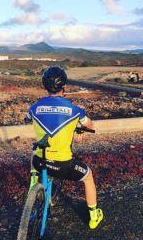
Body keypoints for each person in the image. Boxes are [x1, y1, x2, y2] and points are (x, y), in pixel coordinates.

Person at [25, 66, 103, 230]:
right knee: (88, 177)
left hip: (41, 162)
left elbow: (27, 118)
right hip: (63, 165)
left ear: (44, 86)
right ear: (64, 86)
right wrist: (80, 129)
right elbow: (89, 124)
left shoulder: (34, 107)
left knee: (35, 149)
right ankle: (94, 215)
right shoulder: (74, 109)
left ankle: (34, 178)